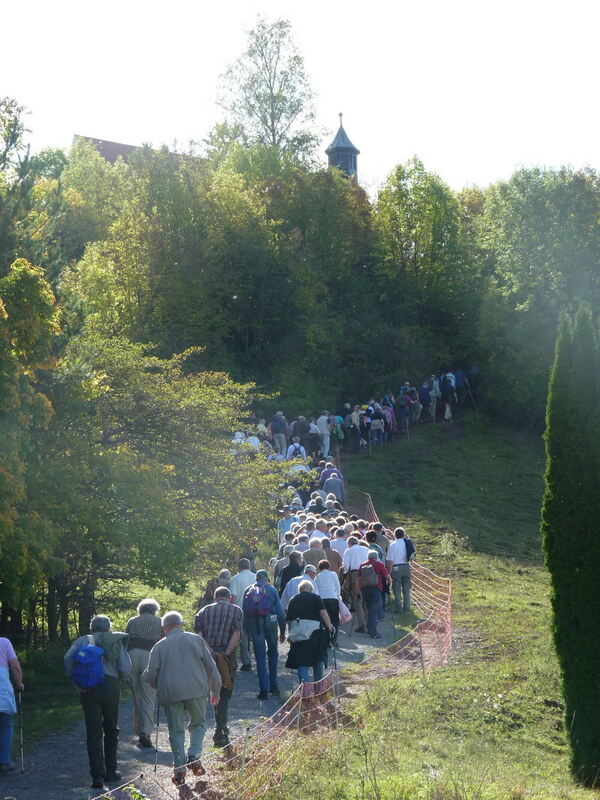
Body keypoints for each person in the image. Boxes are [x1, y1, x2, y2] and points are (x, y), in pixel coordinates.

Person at [143, 611, 221, 785]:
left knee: (176, 731)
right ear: (180, 625)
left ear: (165, 628)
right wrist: (216, 691)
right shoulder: (196, 640)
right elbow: (211, 667)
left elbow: (150, 676)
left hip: (171, 694)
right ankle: (194, 754)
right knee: (198, 724)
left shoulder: (160, 646)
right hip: (196, 691)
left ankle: (179, 769)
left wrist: (156, 684)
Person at [64, 615, 131, 790]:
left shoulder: (83, 640)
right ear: (108, 628)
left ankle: (97, 776)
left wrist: (77, 681)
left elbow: (68, 658)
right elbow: (125, 667)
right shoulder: (116, 640)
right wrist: (122, 679)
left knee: (93, 732)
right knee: (111, 728)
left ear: (92, 628)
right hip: (111, 686)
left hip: (89, 688)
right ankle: (111, 771)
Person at [194, 587, 242, 747]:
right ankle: (221, 731)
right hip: (227, 657)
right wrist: (226, 655)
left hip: (208, 657)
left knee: (211, 691)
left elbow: (199, 637)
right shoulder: (236, 610)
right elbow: (236, 635)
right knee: (225, 693)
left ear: (215, 598)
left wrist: (211, 652)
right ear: (228, 598)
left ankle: (214, 729)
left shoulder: (202, 612)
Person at [125, 598, 164, 748]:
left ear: (140, 609)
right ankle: (145, 732)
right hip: (149, 655)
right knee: (149, 696)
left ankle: (137, 729)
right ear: (154, 609)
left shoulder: (132, 621)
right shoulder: (159, 621)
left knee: (137, 697)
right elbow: (162, 642)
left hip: (132, 656)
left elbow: (126, 639)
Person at [242, 570, 286, 699]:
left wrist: (247, 631)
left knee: (260, 657)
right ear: (267, 579)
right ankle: (274, 686)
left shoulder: (248, 590)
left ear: (256, 579)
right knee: (273, 653)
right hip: (271, 623)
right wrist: (283, 630)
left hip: (255, 625)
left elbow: (245, 613)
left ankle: (263, 691)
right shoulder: (272, 590)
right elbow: (280, 612)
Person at [286, 581, 334, 683]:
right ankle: (318, 687)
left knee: (301, 661)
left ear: (300, 589)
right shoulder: (316, 598)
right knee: (318, 659)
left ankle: (305, 690)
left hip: (299, 635)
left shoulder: (293, 600)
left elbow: (289, 620)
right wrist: (330, 627)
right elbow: (323, 613)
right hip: (315, 633)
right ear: (311, 589)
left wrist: (290, 633)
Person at [0, 637, 23, 775]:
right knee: (5, 726)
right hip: (2, 691)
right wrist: (19, 683)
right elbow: (15, 666)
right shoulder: (4, 642)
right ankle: (3, 761)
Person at [228, 558, 256, 672]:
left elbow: (233, 597)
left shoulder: (235, 578)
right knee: (256, 635)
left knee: (243, 637)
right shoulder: (255, 576)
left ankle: (247, 662)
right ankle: (258, 658)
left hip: (241, 611)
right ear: (249, 566)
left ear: (238, 567)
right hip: (256, 611)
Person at [358, 551, 390, 639]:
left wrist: (359, 590)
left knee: (368, 609)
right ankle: (373, 633)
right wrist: (389, 582)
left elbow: (359, 578)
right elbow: (387, 576)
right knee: (374, 611)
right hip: (376, 589)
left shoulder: (362, 565)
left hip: (365, 589)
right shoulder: (379, 564)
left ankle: (369, 629)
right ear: (376, 557)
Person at [386, 527, 416, 613]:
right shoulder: (407, 543)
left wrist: (389, 571)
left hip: (396, 568)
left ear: (394, 535)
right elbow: (412, 557)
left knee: (396, 589)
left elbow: (390, 560)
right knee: (407, 588)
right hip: (406, 566)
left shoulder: (392, 545)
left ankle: (399, 608)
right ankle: (407, 608)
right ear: (403, 535)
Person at [341, 536, 367, 633]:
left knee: (357, 599)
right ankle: (368, 621)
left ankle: (362, 624)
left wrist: (345, 576)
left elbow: (346, 566)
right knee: (366, 598)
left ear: (349, 543)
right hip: (368, 572)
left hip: (355, 574)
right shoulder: (366, 549)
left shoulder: (348, 550)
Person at [315, 560, 341, 641]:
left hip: (321, 599)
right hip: (332, 598)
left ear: (319, 568)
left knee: (324, 619)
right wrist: (337, 595)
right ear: (329, 567)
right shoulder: (333, 574)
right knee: (335, 619)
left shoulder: (318, 577)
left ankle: (326, 639)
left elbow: (316, 589)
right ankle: (333, 639)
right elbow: (337, 587)